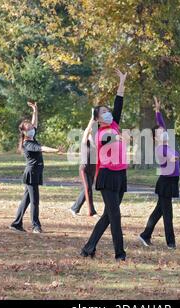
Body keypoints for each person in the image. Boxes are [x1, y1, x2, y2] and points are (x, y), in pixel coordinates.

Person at [81, 69, 128, 261]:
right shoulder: (101, 133)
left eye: (108, 111)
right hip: (107, 177)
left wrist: (122, 82)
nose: (108, 113)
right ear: (98, 118)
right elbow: (109, 139)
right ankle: (120, 254)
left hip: (120, 175)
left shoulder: (114, 124)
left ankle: (88, 248)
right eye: (103, 112)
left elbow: (119, 102)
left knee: (109, 215)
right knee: (115, 216)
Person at [10, 101, 58, 234]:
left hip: (35, 173)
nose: (32, 129)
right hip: (31, 175)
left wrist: (35, 110)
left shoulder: (31, 137)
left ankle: (16, 224)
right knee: (34, 201)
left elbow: (35, 123)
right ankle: (36, 226)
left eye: (32, 128)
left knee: (26, 200)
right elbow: (42, 148)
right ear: (24, 132)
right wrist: (55, 150)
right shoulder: (28, 144)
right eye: (29, 128)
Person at [138, 97, 180, 250]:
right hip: (166, 183)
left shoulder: (166, 144)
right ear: (155, 137)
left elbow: (161, 124)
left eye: (164, 132)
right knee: (167, 214)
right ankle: (171, 243)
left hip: (172, 181)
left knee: (158, 212)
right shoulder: (160, 148)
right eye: (160, 133)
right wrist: (173, 157)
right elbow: (169, 158)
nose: (164, 133)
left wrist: (157, 111)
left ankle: (145, 235)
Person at [70, 117, 98, 217]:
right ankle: (92, 211)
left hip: (92, 169)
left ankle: (74, 208)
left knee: (87, 189)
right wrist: (92, 119)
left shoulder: (96, 144)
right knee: (88, 189)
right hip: (84, 169)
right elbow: (87, 130)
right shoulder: (85, 142)